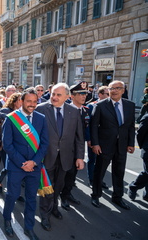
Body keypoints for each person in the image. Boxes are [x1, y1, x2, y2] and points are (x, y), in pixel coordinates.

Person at [2, 88, 49, 240]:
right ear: (21, 101)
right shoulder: (11, 119)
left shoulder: (41, 118)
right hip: (17, 167)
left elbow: (44, 144)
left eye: (35, 101)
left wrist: (34, 162)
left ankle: (29, 227)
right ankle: (7, 220)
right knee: (12, 195)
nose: (32, 104)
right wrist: (23, 163)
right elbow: (7, 145)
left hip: (34, 167)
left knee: (31, 199)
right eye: (29, 101)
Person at [36, 83, 85, 231]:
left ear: (67, 97)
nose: (54, 97)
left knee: (58, 185)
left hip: (65, 157)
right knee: (47, 187)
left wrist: (80, 157)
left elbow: (79, 137)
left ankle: (54, 207)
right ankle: (45, 214)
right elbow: (34, 136)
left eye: (58, 95)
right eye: (53, 94)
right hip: (46, 156)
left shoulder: (74, 111)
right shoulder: (41, 109)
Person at [90, 80, 135, 210]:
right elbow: (94, 126)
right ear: (108, 90)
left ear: (123, 90)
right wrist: (95, 144)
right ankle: (95, 195)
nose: (114, 90)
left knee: (119, 172)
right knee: (100, 171)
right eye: (111, 88)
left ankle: (117, 197)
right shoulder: (100, 105)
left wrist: (131, 143)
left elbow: (131, 126)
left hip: (122, 146)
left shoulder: (130, 106)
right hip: (104, 145)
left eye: (118, 88)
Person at [60, 82, 90, 211]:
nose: (84, 97)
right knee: (62, 175)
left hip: (77, 148)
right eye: (81, 94)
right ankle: (59, 196)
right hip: (64, 149)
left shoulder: (86, 110)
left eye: (85, 94)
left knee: (72, 174)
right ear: (72, 96)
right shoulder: (64, 110)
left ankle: (67, 194)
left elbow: (85, 132)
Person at [128, 113, 148, 202]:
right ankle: (133, 186)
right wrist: (143, 147)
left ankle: (147, 195)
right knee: (147, 172)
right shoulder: (147, 117)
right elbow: (140, 133)